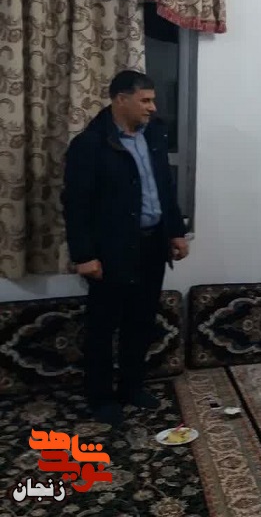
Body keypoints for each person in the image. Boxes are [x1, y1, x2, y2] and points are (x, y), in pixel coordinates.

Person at [62, 70, 189, 427]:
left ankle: (132, 386)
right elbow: (76, 204)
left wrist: (176, 232)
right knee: (103, 326)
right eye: (145, 100)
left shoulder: (154, 135)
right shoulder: (91, 144)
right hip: (112, 250)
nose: (153, 107)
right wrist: (84, 255)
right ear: (121, 99)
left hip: (152, 245)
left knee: (141, 321)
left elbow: (164, 188)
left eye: (153, 100)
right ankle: (101, 398)